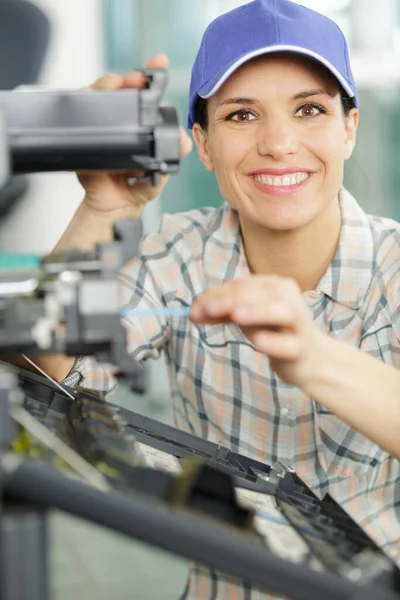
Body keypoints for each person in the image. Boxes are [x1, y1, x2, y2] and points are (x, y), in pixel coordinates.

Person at [25, 0, 400, 598]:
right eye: (242, 115)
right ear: (202, 142)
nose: (278, 143)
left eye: (309, 110)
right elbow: (53, 366)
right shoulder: (182, 252)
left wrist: (314, 359)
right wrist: (106, 208)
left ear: (349, 128)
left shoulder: (394, 268)